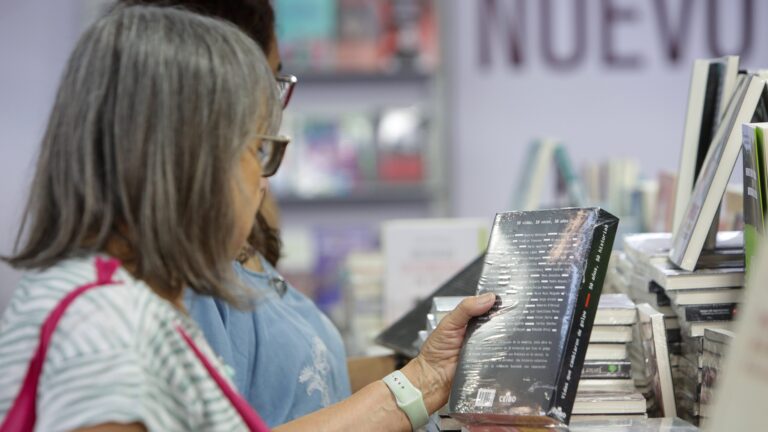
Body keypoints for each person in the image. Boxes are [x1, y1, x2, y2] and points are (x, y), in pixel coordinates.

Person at [0, 5, 496, 431]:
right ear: (189, 158)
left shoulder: (114, 304)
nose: (262, 182)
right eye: (259, 149)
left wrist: (426, 377)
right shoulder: (106, 326)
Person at [120, 0, 354, 426]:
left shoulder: (223, 239)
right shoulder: (176, 271)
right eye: (270, 81)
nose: (274, 108)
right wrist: (408, 392)